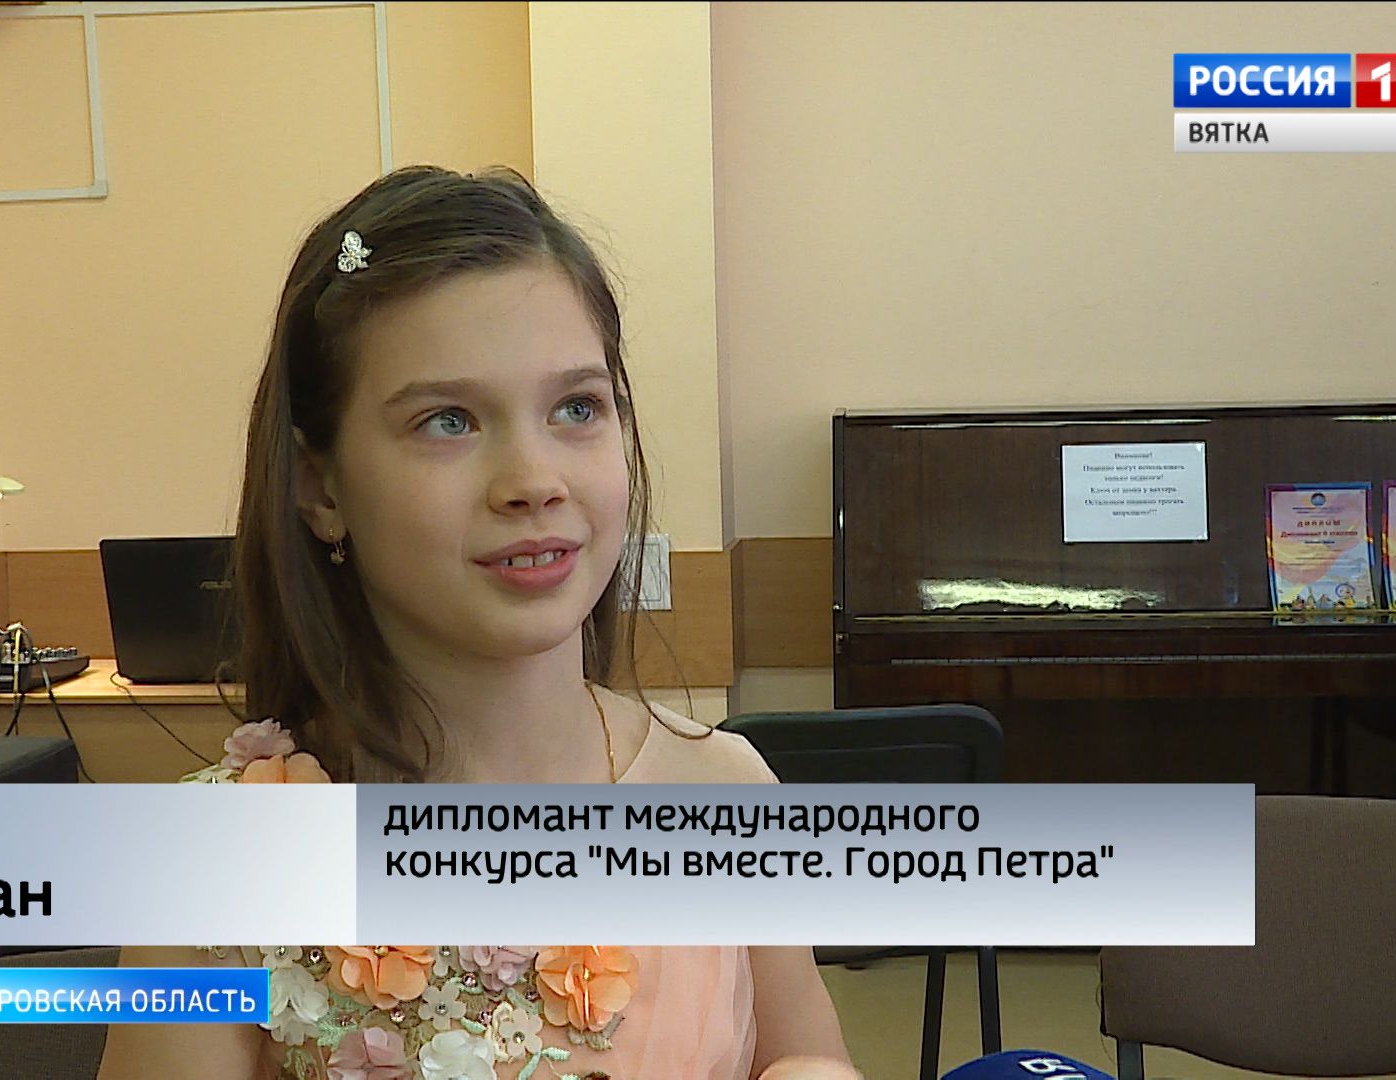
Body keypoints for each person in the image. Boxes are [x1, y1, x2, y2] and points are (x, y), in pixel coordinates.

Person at [100, 166, 859, 1080]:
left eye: (577, 408)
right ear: (320, 486)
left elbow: (805, 1051)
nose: (534, 481)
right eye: (448, 421)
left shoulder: (725, 790)